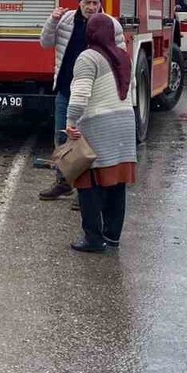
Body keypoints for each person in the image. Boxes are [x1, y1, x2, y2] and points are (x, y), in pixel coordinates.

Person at [38, 0, 125, 200]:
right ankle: (63, 182)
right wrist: (52, 21)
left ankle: (86, 191)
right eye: (87, 2)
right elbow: (45, 42)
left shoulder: (111, 25)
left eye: (95, 2)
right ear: (80, 2)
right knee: (63, 140)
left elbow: (121, 58)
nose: (91, 7)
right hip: (66, 91)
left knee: (89, 143)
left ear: (100, 3)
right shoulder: (66, 20)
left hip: (94, 97)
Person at [65, 17, 137, 253]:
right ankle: (112, 236)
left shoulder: (88, 57)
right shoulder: (123, 55)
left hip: (99, 124)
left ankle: (93, 238)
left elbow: (80, 94)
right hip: (125, 122)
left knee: (88, 181)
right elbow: (131, 87)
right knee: (117, 182)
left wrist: (70, 121)